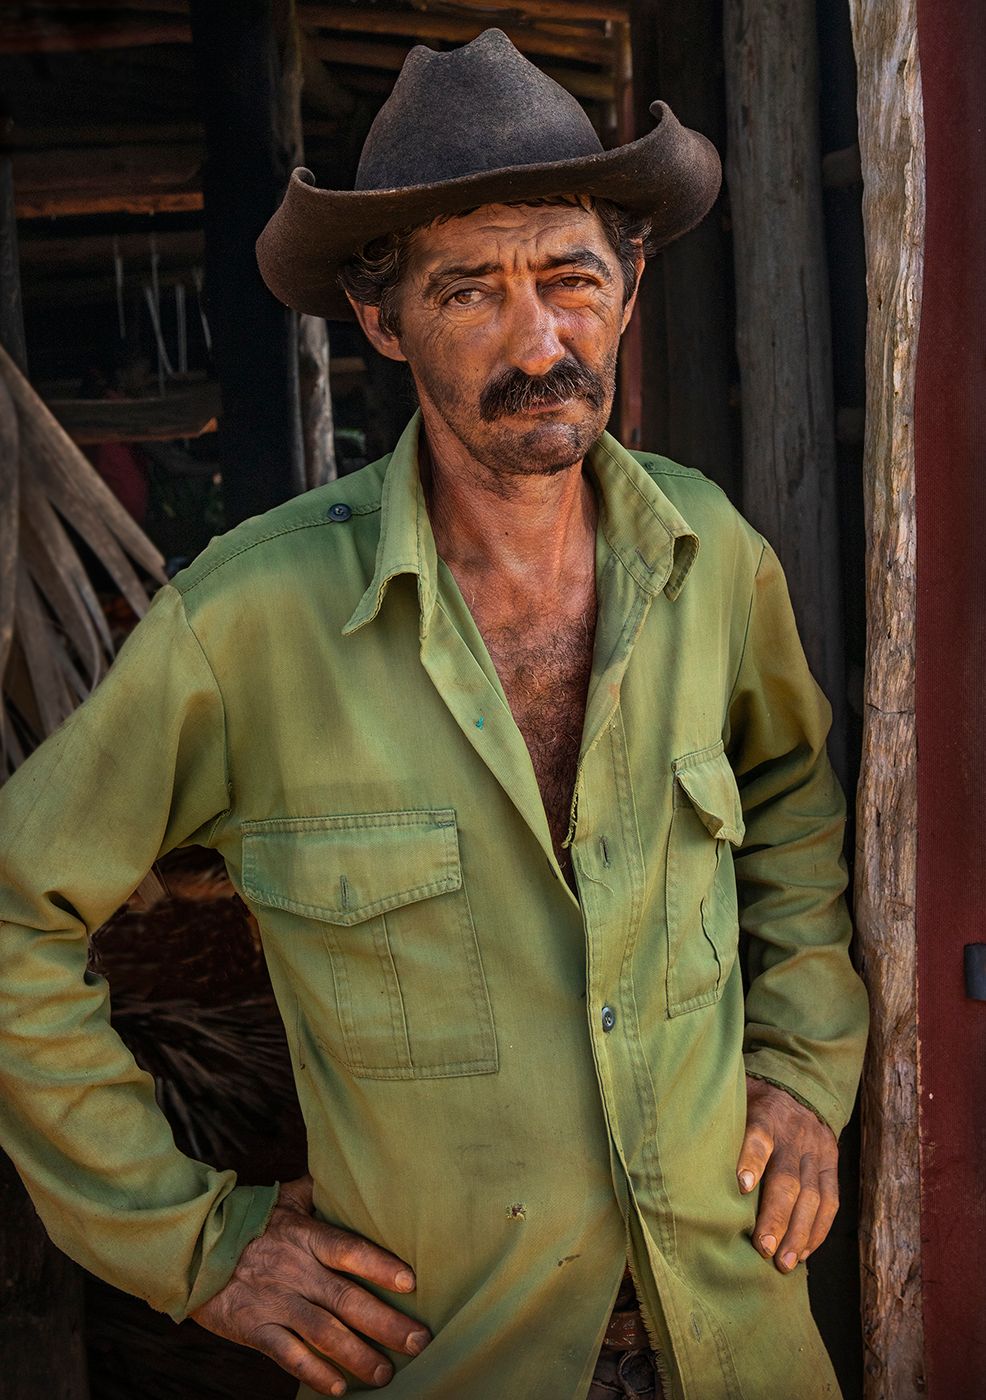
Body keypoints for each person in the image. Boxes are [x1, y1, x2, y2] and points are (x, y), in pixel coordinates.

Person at [0, 29, 868, 1400]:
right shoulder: (251, 623)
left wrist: (805, 1070)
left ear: (628, 290)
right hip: (451, 1358)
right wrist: (192, 1243)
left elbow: (792, 811)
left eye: (570, 277)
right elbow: (13, 909)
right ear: (381, 319)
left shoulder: (711, 561)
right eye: (471, 291)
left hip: (739, 1340)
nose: (540, 339)